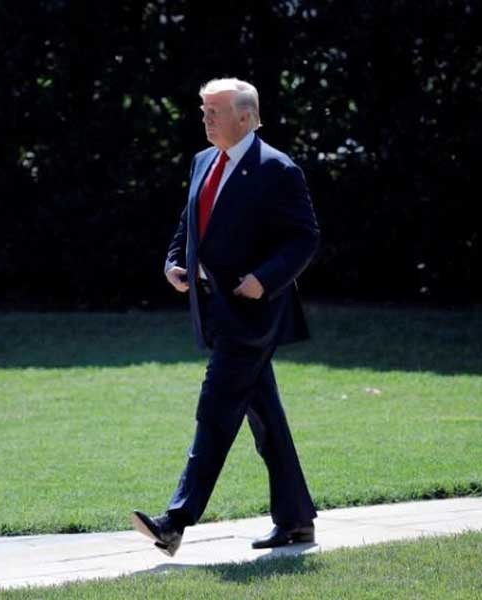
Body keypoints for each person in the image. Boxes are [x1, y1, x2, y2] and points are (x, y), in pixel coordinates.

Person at [131, 78, 320, 556]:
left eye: (214, 111)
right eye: (203, 110)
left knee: (215, 412)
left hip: (254, 316)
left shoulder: (277, 169)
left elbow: (304, 238)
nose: (205, 118)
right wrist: (174, 263)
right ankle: (297, 521)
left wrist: (264, 278)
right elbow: (188, 224)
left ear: (245, 116)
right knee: (266, 418)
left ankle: (174, 521)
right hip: (215, 312)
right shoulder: (202, 161)